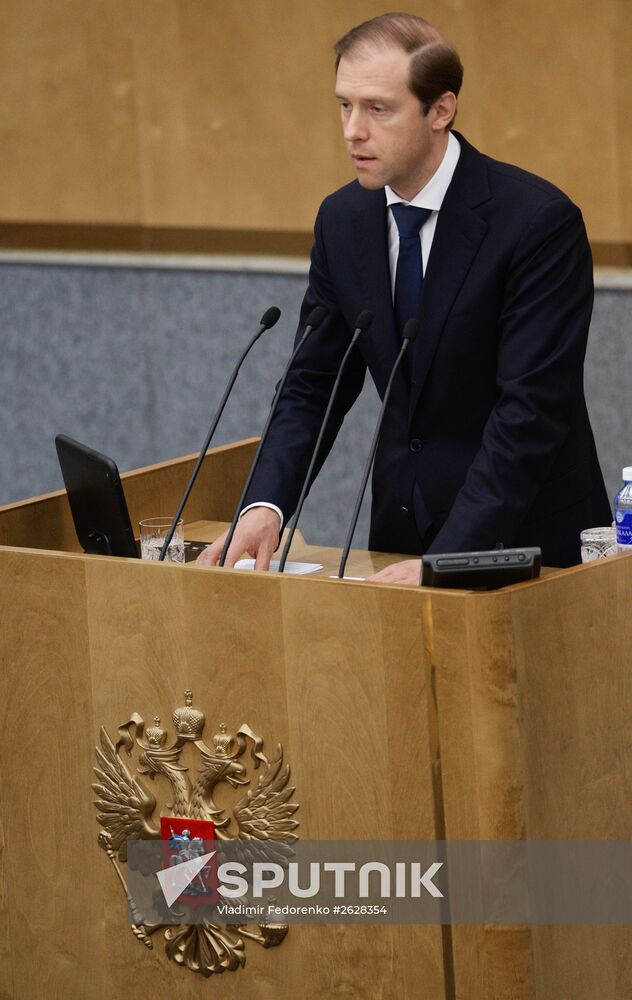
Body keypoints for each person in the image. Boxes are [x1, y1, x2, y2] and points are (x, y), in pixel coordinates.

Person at [198, 12, 610, 583]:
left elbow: (531, 412)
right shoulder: (343, 221)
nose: (352, 130)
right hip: (399, 541)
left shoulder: (536, 222)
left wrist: (446, 561)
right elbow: (312, 385)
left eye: (378, 109)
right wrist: (264, 505)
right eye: (345, 105)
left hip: (519, 546)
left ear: (440, 110)